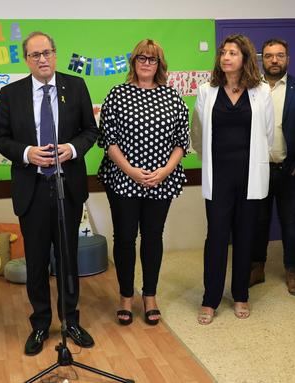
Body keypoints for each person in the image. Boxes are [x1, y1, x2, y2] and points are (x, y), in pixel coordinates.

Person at [0, 31, 99, 356]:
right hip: (32, 189)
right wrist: (26, 153)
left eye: (47, 52)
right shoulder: (11, 94)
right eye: (35, 54)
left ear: (55, 54)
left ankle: (71, 321)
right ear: (26, 59)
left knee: (67, 259)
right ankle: (40, 324)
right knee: (36, 263)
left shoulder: (75, 86)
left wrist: (71, 148)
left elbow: (91, 131)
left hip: (67, 188)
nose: (42, 59)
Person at [97, 39, 189, 326]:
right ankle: (126, 295)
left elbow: (181, 142)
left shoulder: (173, 97)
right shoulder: (118, 94)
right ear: (133, 62)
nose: (147, 63)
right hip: (123, 179)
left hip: (161, 180)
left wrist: (164, 171)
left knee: (152, 237)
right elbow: (108, 140)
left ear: (160, 64)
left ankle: (150, 295)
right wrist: (130, 170)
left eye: (152, 59)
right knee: (125, 238)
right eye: (141, 58)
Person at [191, 34, 274, 325]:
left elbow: (268, 133)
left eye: (233, 53)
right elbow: (199, 133)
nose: (226, 57)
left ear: (245, 58)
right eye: (223, 52)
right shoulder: (207, 90)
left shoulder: (261, 91)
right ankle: (210, 298)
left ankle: (240, 294)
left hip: (250, 174)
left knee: (244, 236)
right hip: (219, 174)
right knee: (216, 236)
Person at [251, 38, 295, 295]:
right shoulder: (251, 88)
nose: (274, 60)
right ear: (261, 59)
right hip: (259, 169)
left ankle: (292, 270)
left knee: (290, 221)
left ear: (288, 59)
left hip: (290, 169)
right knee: (258, 221)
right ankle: (257, 267)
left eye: (279, 55)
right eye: (269, 56)